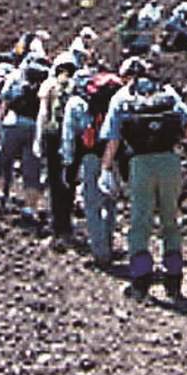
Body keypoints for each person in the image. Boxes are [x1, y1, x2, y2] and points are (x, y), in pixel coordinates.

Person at [100, 56, 187, 300]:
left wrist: (106, 168)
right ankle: (173, 281)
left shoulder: (122, 97)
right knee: (170, 221)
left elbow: (112, 138)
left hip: (140, 163)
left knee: (140, 223)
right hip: (169, 161)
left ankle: (141, 282)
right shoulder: (167, 92)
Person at [62, 69, 123, 267]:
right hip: (114, 155)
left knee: (92, 205)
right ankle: (108, 243)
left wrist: (69, 162)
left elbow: (69, 135)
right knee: (110, 202)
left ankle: (100, 252)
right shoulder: (117, 99)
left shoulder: (78, 102)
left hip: (91, 156)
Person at [0, 53, 49, 219]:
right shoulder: (46, 81)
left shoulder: (15, 76)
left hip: (12, 123)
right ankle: (30, 207)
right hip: (35, 127)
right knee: (31, 168)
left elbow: (4, 102)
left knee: (3, 162)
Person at [35, 53, 78, 244]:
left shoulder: (49, 84)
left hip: (53, 137)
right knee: (69, 181)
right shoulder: (78, 85)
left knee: (54, 182)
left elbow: (43, 113)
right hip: (73, 138)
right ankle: (67, 226)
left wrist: (38, 139)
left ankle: (57, 229)